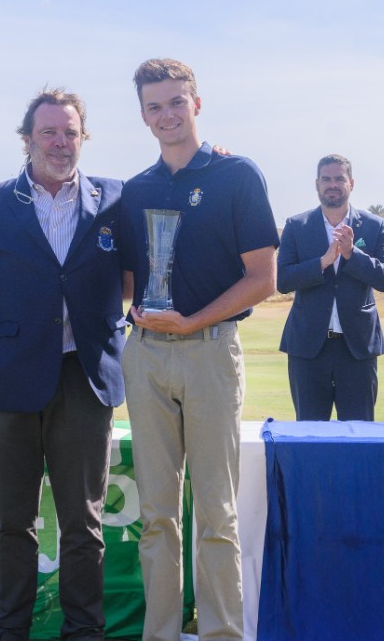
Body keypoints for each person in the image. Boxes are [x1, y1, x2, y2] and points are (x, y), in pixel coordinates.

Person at [0, 89, 129, 641]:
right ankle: (11, 632)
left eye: (70, 132)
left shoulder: (117, 200)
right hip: (8, 385)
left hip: (86, 380)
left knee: (84, 526)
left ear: (84, 137)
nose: (59, 142)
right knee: (12, 524)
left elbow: (171, 198)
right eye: (48, 132)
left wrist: (211, 160)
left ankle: (84, 632)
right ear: (27, 139)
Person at [119, 58, 278, 641]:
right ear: (142, 115)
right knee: (156, 516)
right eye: (154, 106)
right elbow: (132, 278)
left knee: (216, 512)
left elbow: (263, 277)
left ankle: (221, 634)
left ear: (197, 103)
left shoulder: (237, 174)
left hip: (210, 352)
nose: (166, 115)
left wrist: (193, 323)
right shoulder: (134, 190)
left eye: (175, 102)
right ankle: (158, 634)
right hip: (147, 356)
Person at [277, 154, 384, 421]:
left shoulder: (375, 226)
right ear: (316, 184)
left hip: (357, 350)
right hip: (308, 350)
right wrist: (322, 262)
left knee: (358, 438)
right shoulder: (297, 226)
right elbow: (283, 280)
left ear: (351, 183)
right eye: (326, 179)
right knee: (309, 437)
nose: (333, 184)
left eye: (339, 178)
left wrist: (352, 255)